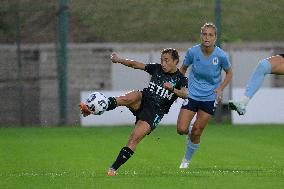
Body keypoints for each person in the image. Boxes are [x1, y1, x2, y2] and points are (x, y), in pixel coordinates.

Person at [80, 48, 188, 176]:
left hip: (154, 112)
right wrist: (118, 60)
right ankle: (93, 109)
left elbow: (185, 94)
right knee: (130, 97)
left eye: (166, 60)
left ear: (175, 61)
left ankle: (113, 169)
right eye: (162, 60)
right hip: (144, 99)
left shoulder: (181, 79)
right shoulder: (156, 68)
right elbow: (135, 64)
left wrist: (173, 90)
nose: (163, 63)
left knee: (133, 139)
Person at [177, 23, 233, 168]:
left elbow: (229, 73)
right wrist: (181, 86)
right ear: (200, 35)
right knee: (182, 129)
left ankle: (185, 161)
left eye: (210, 35)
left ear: (215, 37)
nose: (207, 37)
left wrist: (220, 88)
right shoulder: (193, 52)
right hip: (192, 94)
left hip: (209, 97)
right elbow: (182, 69)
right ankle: (190, 129)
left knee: (197, 131)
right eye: (204, 34)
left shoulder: (221, 55)